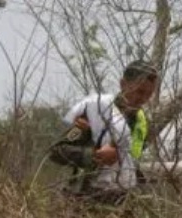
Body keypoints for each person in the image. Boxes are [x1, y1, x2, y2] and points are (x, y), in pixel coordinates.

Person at [50, 59, 157, 205]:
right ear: (123, 84)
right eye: (140, 91)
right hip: (84, 201)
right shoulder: (93, 112)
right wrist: (94, 156)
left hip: (122, 203)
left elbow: (131, 160)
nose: (143, 99)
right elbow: (57, 151)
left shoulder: (142, 123)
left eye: (149, 94)